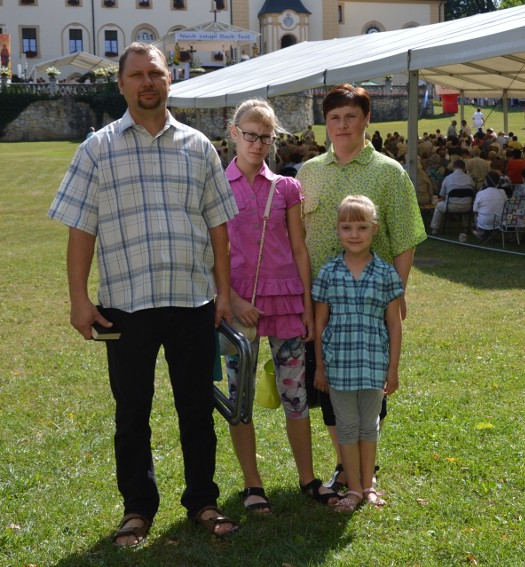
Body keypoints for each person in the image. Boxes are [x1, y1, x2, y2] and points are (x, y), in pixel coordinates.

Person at [47, 43, 239, 547]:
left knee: (196, 409)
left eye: (155, 73)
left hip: (193, 301)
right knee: (131, 413)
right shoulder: (97, 148)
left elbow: (219, 226)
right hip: (123, 306)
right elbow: (80, 229)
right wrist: (78, 298)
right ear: (122, 84)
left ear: (169, 78)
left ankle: (202, 500)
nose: (147, 82)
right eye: (136, 75)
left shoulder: (199, 146)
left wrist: (224, 292)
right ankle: (138, 509)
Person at [296, 83, 426, 494]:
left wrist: (396, 294)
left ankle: (364, 470)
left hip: (369, 304)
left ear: (367, 120)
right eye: (334, 117)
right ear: (325, 122)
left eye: (351, 116)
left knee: (370, 386)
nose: (342, 125)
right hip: (321, 304)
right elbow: (297, 238)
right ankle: (343, 464)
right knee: (327, 385)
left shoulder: (389, 173)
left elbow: (405, 238)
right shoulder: (309, 171)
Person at [222, 98, 340, 514]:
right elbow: (209, 251)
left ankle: (307, 477)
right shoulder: (217, 185)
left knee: (296, 396)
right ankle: (253, 484)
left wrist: (307, 307)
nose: (257, 143)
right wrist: (233, 300)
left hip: (288, 301)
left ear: (274, 139)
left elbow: (299, 249)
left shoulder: (286, 187)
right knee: (240, 399)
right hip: (240, 307)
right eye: (250, 135)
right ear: (234, 133)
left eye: (265, 137)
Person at [313, 195, 404, 512]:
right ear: (338, 231)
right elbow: (320, 322)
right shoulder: (328, 273)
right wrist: (320, 369)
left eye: (361, 227)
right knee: (347, 427)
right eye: (347, 227)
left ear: (374, 229)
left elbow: (394, 324)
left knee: (370, 426)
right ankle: (351, 489)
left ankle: (367, 486)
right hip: (338, 366)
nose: (354, 234)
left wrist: (392, 370)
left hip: (373, 365)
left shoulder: (386, 273)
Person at [430, 159, 475, 234]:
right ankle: (467, 227)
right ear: (464, 168)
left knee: (438, 206)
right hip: (467, 207)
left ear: (453, 167)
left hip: (451, 206)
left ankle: (435, 228)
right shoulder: (469, 179)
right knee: (466, 202)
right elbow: (473, 193)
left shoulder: (448, 178)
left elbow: (442, 195)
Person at [473, 171, 508, 238]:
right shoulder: (503, 192)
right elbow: (506, 207)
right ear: (498, 182)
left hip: (484, 222)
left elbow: (475, 210)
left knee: (476, 216)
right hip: (501, 221)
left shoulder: (480, 193)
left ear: (486, 181)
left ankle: (481, 232)